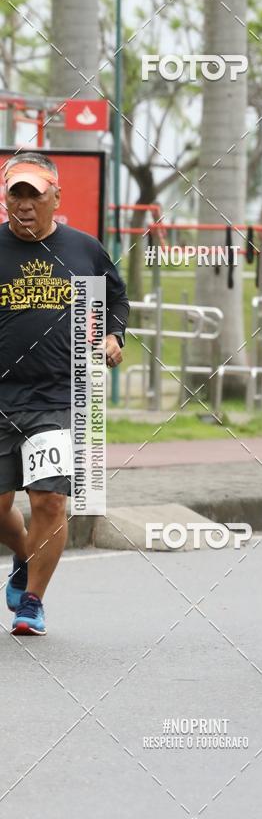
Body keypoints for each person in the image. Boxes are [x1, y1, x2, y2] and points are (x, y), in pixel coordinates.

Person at [0, 151, 129, 635]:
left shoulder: (83, 249)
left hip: (59, 396)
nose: (25, 204)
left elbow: (116, 298)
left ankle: (32, 601)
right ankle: (23, 553)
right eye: (17, 193)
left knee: (49, 501)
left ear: (56, 196)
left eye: (35, 194)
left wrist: (114, 336)